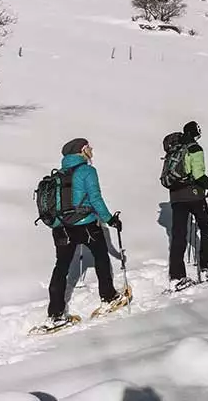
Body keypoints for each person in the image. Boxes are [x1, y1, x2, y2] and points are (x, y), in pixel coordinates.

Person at [46, 138, 129, 326]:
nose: (91, 149)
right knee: (101, 256)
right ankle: (108, 296)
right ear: (81, 151)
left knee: (61, 267)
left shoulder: (59, 174)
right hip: (86, 224)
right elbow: (95, 199)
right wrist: (110, 219)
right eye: (88, 147)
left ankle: (55, 313)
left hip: (61, 227)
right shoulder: (87, 171)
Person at [168, 121, 208, 290]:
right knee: (206, 228)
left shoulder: (174, 148)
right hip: (194, 195)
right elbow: (198, 175)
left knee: (178, 235)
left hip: (176, 196)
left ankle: (176, 276)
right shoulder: (194, 148)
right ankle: (206, 267)